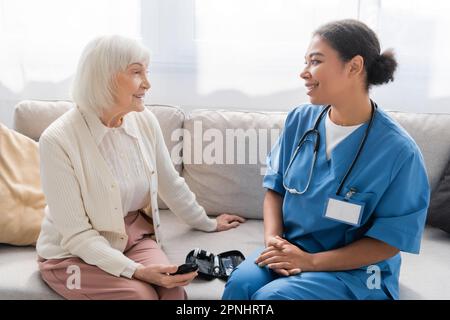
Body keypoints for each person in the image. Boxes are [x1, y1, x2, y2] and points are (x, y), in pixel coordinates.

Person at [222, 19, 430, 300]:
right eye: (305, 62)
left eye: (315, 61)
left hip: (356, 271)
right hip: (293, 248)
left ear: (354, 66)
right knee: (239, 286)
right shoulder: (300, 120)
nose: (303, 73)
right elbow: (275, 190)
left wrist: (309, 262)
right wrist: (274, 241)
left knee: (273, 298)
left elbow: (388, 242)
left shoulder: (399, 152)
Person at [36, 35, 245, 300]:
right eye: (137, 72)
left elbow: (170, 183)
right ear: (105, 77)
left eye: (147, 72)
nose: (147, 83)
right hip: (72, 254)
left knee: (173, 290)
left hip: (132, 237)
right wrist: (136, 271)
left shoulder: (144, 120)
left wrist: (208, 223)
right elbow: (77, 235)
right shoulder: (57, 140)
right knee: (139, 296)